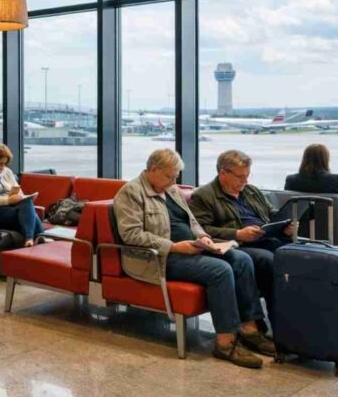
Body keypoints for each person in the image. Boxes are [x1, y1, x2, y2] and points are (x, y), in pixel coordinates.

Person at [114, 148, 274, 369]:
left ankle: (250, 329)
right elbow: (131, 235)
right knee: (220, 270)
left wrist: (204, 237)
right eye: (170, 175)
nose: (174, 180)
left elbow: (192, 222)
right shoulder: (130, 193)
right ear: (153, 170)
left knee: (241, 260)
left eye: (176, 176)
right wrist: (174, 247)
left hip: (191, 247)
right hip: (160, 258)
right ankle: (225, 343)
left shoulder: (172, 190)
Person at [189, 150, 295, 326]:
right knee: (269, 260)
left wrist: (285, 226)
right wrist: (237, 233)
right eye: (240, 177)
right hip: (239, 245)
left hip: (267, 238)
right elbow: (201, 229)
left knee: (304, 254)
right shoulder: (204, 196)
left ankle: (302, 315)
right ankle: (279, 323)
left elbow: (272, 213)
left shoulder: (251, 191)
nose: (245, 181)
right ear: (222, 173)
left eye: (247, 175)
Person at [285, 143, 338, 240]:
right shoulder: (335, 180)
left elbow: (288, 208)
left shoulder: (291, 180)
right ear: (325, 159)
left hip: (302, 231)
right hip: (334, 231)